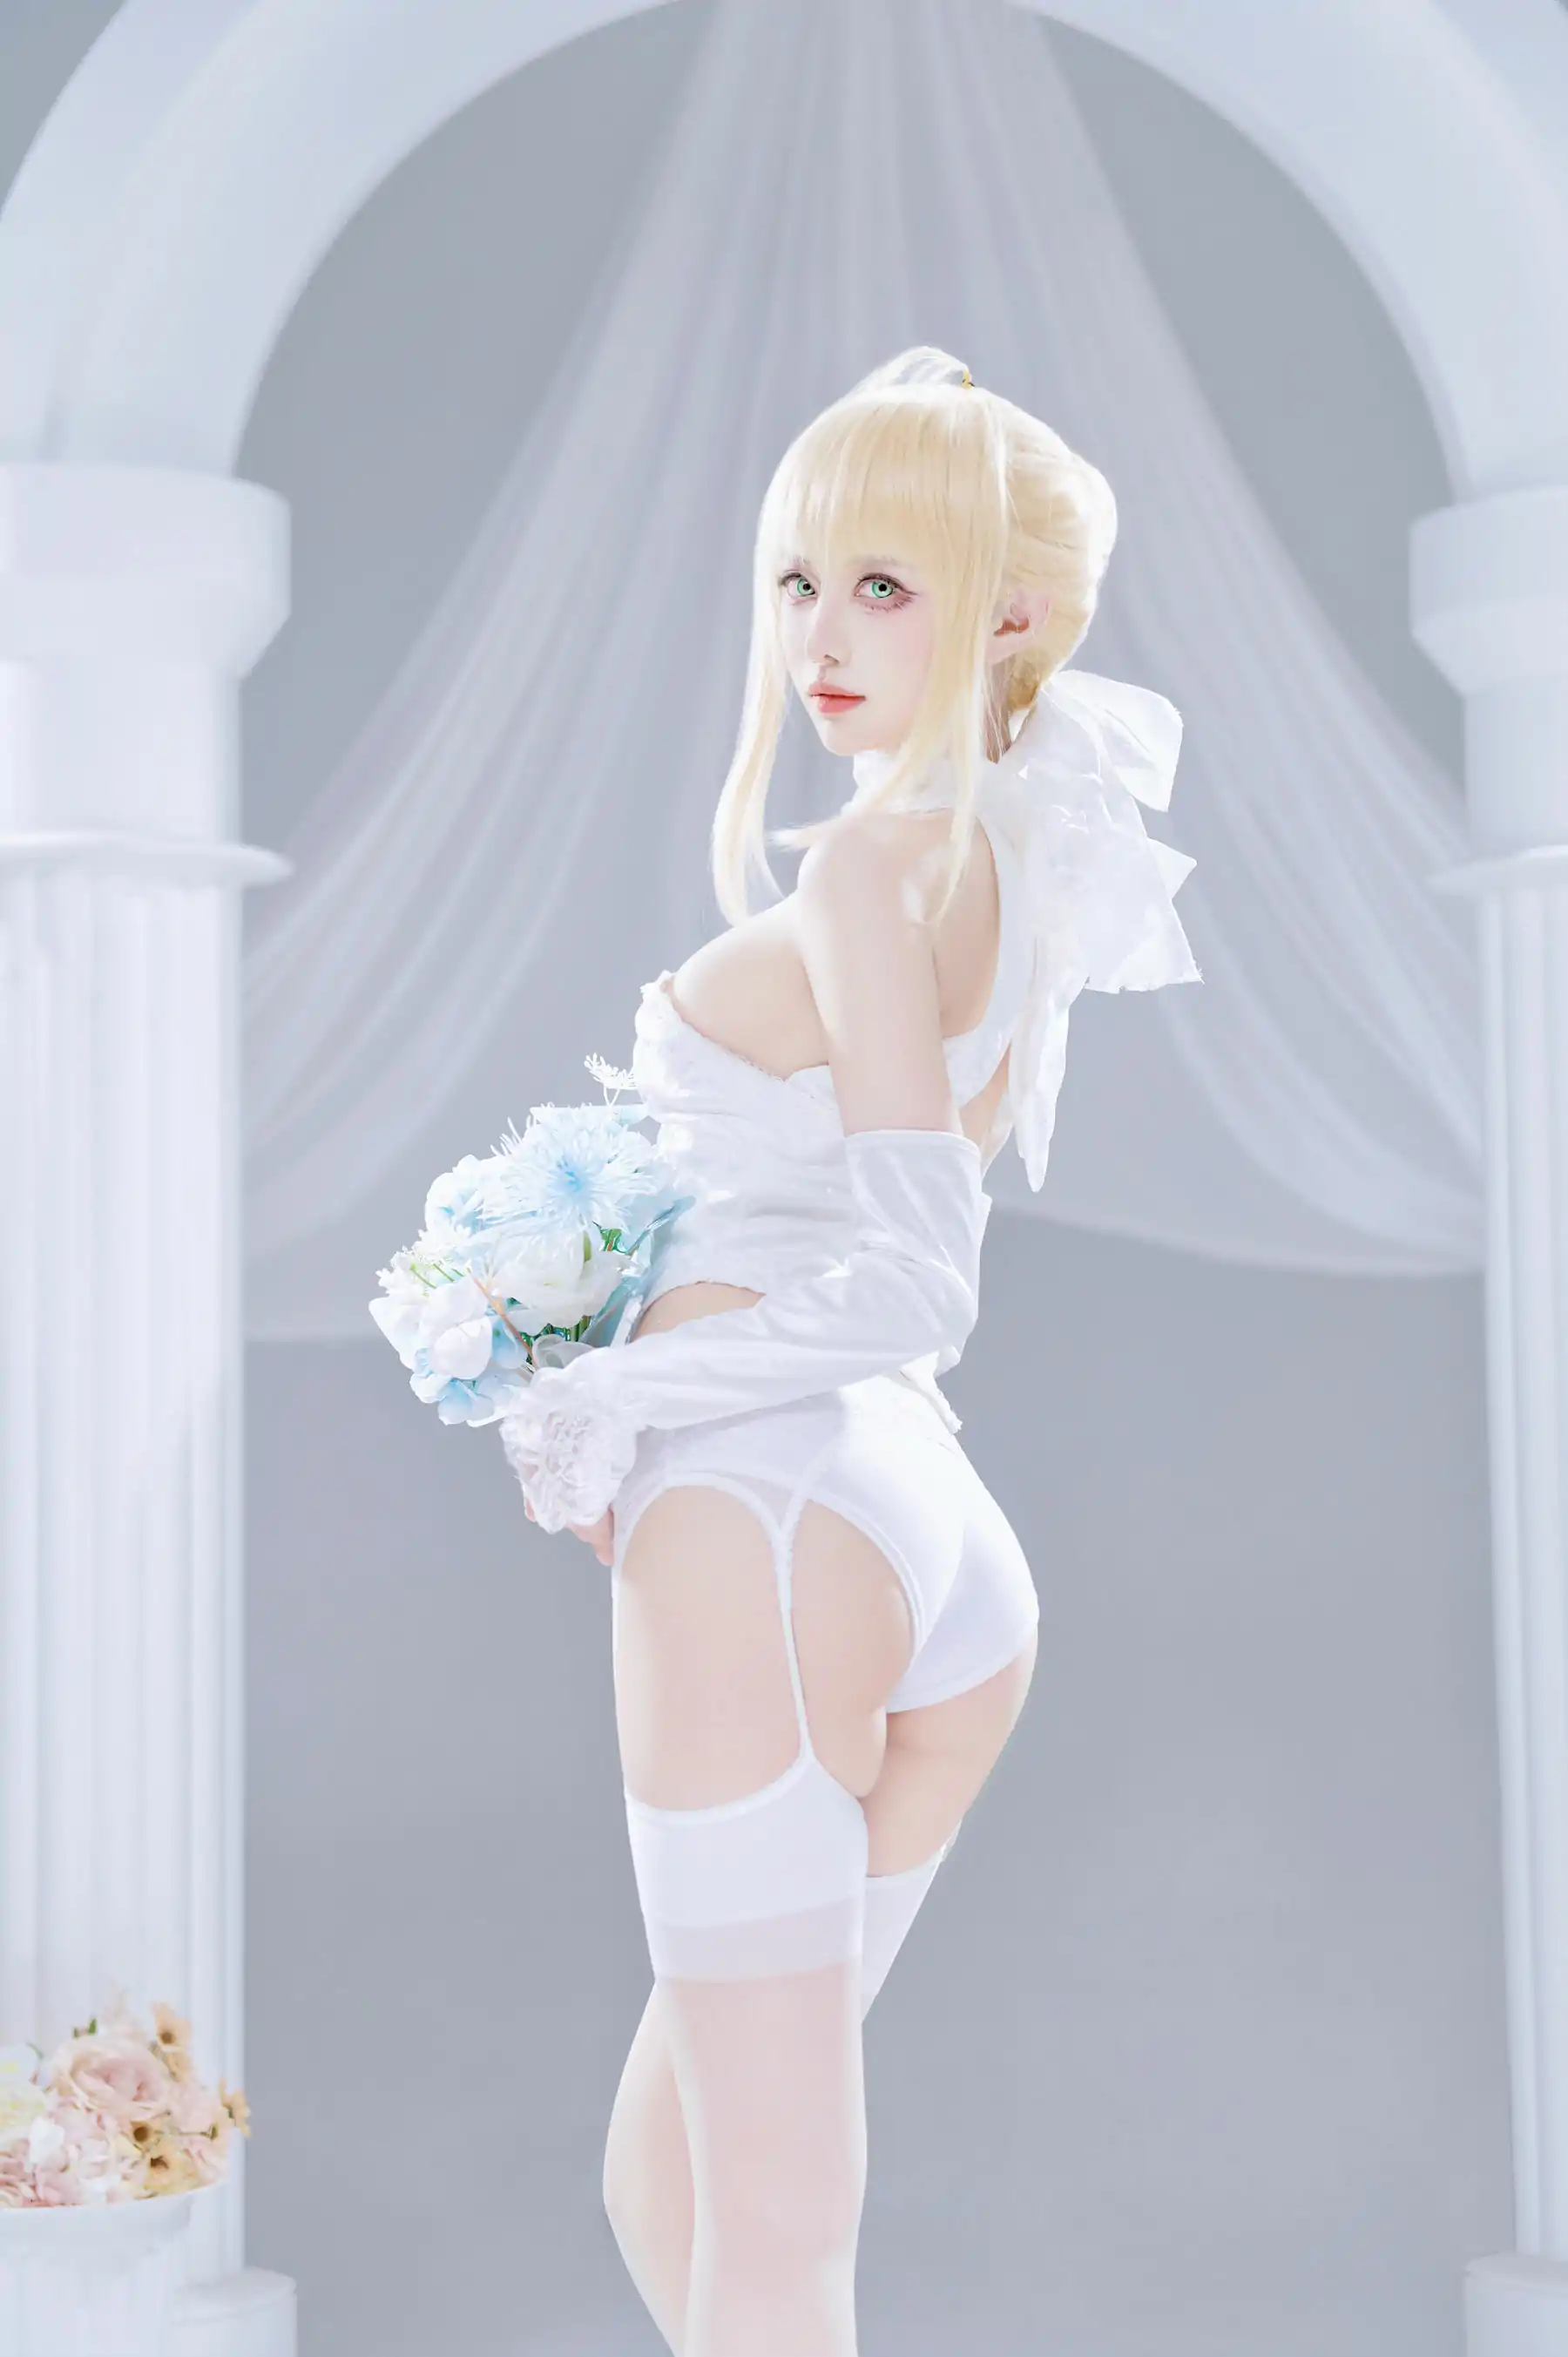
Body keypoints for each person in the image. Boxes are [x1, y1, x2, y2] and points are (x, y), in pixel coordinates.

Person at [500, 345, 1200, 2356]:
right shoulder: (1003, 851)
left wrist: (608, 1393)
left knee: (776, 2238)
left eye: (883, 586)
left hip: (768, 1514)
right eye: (799, 578)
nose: (816, 634)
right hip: (913, 1533)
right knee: (674, 2177)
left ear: (1013, 617)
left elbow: (913, 1275)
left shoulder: (877, 863)